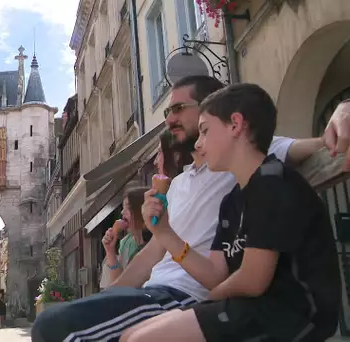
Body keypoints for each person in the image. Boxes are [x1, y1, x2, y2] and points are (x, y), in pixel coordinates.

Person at [31, 75, 346, 342]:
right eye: (167, 110)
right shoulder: (187, 185)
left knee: (54, 327)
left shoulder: (256, 161)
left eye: (179, 109)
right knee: (64, 321)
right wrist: (110, 296)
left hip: (188, 296)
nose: (169, 120)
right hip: (164, 293)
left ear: (226, 118)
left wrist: (344, 109)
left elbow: (325, 145)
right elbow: (151, 255)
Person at [126, 83, 341, 341]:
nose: (200, 143)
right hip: (250, 306)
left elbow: (252, 280)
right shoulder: (232, 201)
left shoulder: (271, 182)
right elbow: (215, 275)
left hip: (289, 314)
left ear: (236, 125)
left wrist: (205, 303)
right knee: (131, 334)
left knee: (142, 339)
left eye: (205, 131)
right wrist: (164, 232)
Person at [99, 186, 151, 289]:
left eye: (128, 207)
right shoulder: (126, 242)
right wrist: (110, 251)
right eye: (123, 207)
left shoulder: (155, 242)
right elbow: (118, 283)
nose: (122, 212)